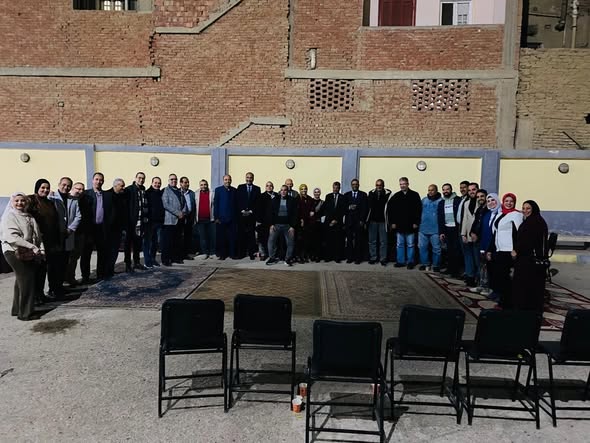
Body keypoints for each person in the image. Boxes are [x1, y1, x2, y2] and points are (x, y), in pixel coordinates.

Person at [0, 193, 45, 320]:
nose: (20, 203)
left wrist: (41, 249)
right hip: (13, 251)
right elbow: (12, 237)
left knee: (21, 280)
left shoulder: (29, 216)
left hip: (28, 251)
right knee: (27, 279)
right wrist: (32, 246)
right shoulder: (9, 216)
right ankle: (26, 313)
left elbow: (38, 235)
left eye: (23, 201)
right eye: (17, 201)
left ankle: (17, 310)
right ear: (12, 202)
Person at [486, 193, 523, 308]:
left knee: (505, 277)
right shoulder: (500, 214)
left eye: (511, 201)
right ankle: (500, 297)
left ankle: (506, 302)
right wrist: (490, 250)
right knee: (498, 275)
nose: (509, 203)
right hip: (499, 249)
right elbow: (495, 233)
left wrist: (516, 249)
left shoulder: (516, 215)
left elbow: (519, 234)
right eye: (506, 201)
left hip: (508, 250)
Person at [29, 179, 63, 299]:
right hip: (37, 241)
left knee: (48, 268)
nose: (45, 190)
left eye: (47, 188)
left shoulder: (49, 203)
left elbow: (55, 222)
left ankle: (44, 293)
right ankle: (36, 296)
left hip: (51, 240)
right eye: (42, 188)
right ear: (37, 188)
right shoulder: (31, 200)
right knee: (37, 269)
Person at [512, 200, 549, 312]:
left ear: (534, 209)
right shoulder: (532, 220)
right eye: (523, 208)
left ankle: (525, 307)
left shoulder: (534, 222)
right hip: (528, 257)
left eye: (528, 208)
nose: (525, 211)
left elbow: (527, 241)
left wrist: (516, 251)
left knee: (526, 283)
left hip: (529, 258)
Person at [49, 177, 81, 292]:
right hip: (56, 236)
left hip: (68, 235)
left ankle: (61, 285)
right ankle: (53, 288)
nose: (66, 187)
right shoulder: (52, 197)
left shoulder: (74, 200)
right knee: (54, 263)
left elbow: (78, 216)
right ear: (59, 184)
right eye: (64, 185)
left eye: (68, 186)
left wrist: (70, 229)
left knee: (65, 261)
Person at [80, 172, 111, 283]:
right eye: (97, 179)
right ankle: (85, 276)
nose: (98, 182)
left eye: (101, 180)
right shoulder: (85, 194)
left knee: (102, 252)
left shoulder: (106, 195)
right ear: (93, 180)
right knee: (86, 253)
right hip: (89, 229)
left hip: (101, 228)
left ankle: (100, 274)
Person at [388, 177, 422, 269]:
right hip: (399, 225)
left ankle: (410, 262)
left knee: (410, 244)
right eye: (401, 184)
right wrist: (392, 222)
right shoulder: (396, 196)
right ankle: (400, 261)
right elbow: (391, 210)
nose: (402, 186)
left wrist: (416, 222)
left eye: (404, 184)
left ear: (408, 184)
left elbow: (418, 210)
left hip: (411, 225)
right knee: (399, 244)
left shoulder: (414, 195)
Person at [266, 185, 298, 266]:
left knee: (290, 242)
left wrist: (292, 226)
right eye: (282, 190)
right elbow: (270, 213)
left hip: (288, 226)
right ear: (280, 191)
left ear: (287, 191)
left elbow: (295, 214)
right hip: (276, 225)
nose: (283, 192)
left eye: (285, 190)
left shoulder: (292, 200)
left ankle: (288, 259)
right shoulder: (275, 200)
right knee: (271, 241)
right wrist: (271, 224)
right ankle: (272, 258)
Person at [124, 172, 148, 272]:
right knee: (128, 244)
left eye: (143, 178)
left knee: (137, 243)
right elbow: (125, 206)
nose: (141, 180)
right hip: (131, 222)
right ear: (135, 178)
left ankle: (137, 262)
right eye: (139, 178)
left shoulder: (143, 190)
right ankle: (128, 264)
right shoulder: (129, 190)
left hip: (140, 221)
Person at [437, 183, 462, 278]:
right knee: (449, 251)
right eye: (444, 189)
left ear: (451, 190)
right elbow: (440, 218)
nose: (445, 191)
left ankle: (456, 271)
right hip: (446, 229)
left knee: (456, 251)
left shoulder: (458, 200)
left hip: (456, 229)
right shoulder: (441, 202)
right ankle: (450, 269)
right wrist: (441, 232)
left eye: (447, 189)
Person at [161, 174, 186, 266]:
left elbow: (184, 203)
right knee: (168, 241)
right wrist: (177, 213)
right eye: (172, 179)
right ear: (169, 180)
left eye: (175, 179)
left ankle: (175, 258)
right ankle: (166, 259)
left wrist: (183, 212)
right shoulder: (166, 190)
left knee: (177, 240)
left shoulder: (180, 191)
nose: (173, 181)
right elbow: (165, 204)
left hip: (179, 220)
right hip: (169, 220)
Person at [64, 181, 85, 285]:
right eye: (78, 189)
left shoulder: (83, 200)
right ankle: (65, 279)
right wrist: (70, 229)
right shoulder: (67, 199)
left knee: (75, 257)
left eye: (82, 190)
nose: (80, 191)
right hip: (68, 233)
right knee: (67, 258)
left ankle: (71, 277)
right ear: (72, 188)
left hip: (79, 233)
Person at [459, 182, 480, 287]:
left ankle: (479, 279)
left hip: (477, 234)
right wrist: (463, 234)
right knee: (468, 256)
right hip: (467, 233)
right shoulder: (466, 203)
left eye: (473, 189)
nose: (471, 192)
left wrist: (476, 233)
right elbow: (464, 219)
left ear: (477, 190)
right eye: (470, 190)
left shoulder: (481, 202)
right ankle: (470, 276)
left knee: (477, 258)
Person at [367, 179, 391, 265]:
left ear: (383, 185)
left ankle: (383, 259)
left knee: (383, 242)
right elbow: (368, 207)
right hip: (372, 221)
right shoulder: (371, 193)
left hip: (383, 221)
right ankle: (373, 257)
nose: (378, 187)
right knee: (372, 241)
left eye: (380, 185)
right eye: (377, 185)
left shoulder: (388, 194)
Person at [236, 172, 260, 259]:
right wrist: (242, 210)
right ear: (245, 178)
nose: (249, 179)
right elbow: (237, 200)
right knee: (241, 235)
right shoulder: (240, 187)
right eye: (247, 177)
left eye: (250, 177)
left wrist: (251, 211)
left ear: (253, 178)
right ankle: (241, 253)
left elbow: (258, 203)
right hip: (241, 215)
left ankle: (251, 253)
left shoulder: (257, 189)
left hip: (251, 216)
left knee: (251, 235)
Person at [343, 179, 368, 264]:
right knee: (349, 240)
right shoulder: (346, 195)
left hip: (358, 221)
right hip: (349, 222)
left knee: (358, 241)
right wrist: (349, 207)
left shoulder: (363, 195)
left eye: (356, 184)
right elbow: (342, 208)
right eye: (353, 184)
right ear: (351, 185)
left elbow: (365, 208)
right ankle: (350, 257)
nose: (355, 186)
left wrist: (362, 220)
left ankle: (358, 258)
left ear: (358, 185)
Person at [106, 178, 127, 277]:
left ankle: (111, 269)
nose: (123, 188)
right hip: (108, 228)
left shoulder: (122, 196)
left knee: (115, 250)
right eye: (121, 186)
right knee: (107, 251)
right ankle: (105, 270)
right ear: (115, 185)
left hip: (118, 228)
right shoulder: (107, 195)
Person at [418, 184, 442, 272]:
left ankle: (436, 265)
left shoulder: (441, 201)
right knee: (422, 248)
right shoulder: (424, 200)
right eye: (429, 190)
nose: (430, 192)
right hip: (423, 229)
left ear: (436, 190)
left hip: (435, 229)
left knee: (436, 249)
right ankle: (425, 264)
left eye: (432, 190)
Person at [214, 174, 238, 260]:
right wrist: (216, 217)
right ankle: (222, 255)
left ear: (231, 180)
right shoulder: (218, 190)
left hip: (232, 218)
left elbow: (236, 204)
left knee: (232, 237)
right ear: (223, 180)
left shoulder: (234, 190)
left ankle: (232, 254)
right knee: (222, 238)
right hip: (221, 218)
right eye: (226, 179)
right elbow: (216, 204)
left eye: (229, 179)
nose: (227, 181)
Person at [323, 181, 346, 263]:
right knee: (329, 240)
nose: (335, 189)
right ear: (332, 188)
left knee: (337, 241)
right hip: (329, 222)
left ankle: (337, 257)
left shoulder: (342, 197)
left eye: (337, 188)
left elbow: (343, 210)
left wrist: (336, 220)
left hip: (338, 222)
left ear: (339, 188)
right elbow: (326, 210)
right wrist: (331, 221)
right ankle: (328, 256)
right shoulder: (328, 196)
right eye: (334, 187)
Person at [144, 177, 164, 268]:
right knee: (148, 242)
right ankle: (147, 261)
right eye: (155, 183)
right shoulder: (147, 193)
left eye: (159, 183)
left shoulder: (160, 193)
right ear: (152, 183)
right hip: (149, 221)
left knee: (155, 242)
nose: (157, 185)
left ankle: (153, 259)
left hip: (158, 221)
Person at [195, 179, 215, 259]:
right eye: (202, 185)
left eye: (205, 184)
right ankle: (205, 253)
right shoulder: (196, 193)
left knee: (212, 237)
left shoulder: (212, 193)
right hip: (200, 219)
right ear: (200, 186)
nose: (203, 186)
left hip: (210, 219)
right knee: (203, 238)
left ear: (207, 185)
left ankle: (212, 252)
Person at [256, 181, 277, 261]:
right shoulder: (261, 196)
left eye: (271, 186)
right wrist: (258, 220)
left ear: (273, 187)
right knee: (262, 239)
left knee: (273, 239)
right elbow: (258, 209)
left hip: (273, 221)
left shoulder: (276, 196)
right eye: (267, 186)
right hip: (263, 221)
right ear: (265, 187)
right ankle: (263, 254)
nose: (269, 187)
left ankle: (272, 254)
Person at [297, 183, 316, 263]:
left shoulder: (310, 199)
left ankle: (305, 255)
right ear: (300, 190)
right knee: (300, 240)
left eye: (305, 189)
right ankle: (300, 256)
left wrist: (312, 212)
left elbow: (312, 210)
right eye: (302, 189)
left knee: (307, 240)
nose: (304, 190)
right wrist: (301, 219)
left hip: (308, 222)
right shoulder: (297, 198)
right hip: (300, 222)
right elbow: (297, 211)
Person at [179, 176, 197, 260]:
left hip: (189, 217)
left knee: (187, 237)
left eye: (188, 182)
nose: (187, 184)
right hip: (180, 218)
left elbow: (195, 206)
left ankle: (186, 254)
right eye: (185, 182)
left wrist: (194, 218)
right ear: (181, 183)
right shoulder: (177, 192)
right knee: (179, 237)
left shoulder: (192, 193)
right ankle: (179, 254)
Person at [309, 188, 324, 262]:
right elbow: (309, 213)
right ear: (313, 193)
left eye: (318, 192)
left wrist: (315, 213)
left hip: (319, 224)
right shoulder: (310, 201)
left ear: (320, 193)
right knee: (311, 240)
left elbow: (323, 213)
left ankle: (318, 256)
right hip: (311, 224)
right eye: (315, 192)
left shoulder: (322, 202)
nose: (317, 193)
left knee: (318, 241)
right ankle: (312, 255)